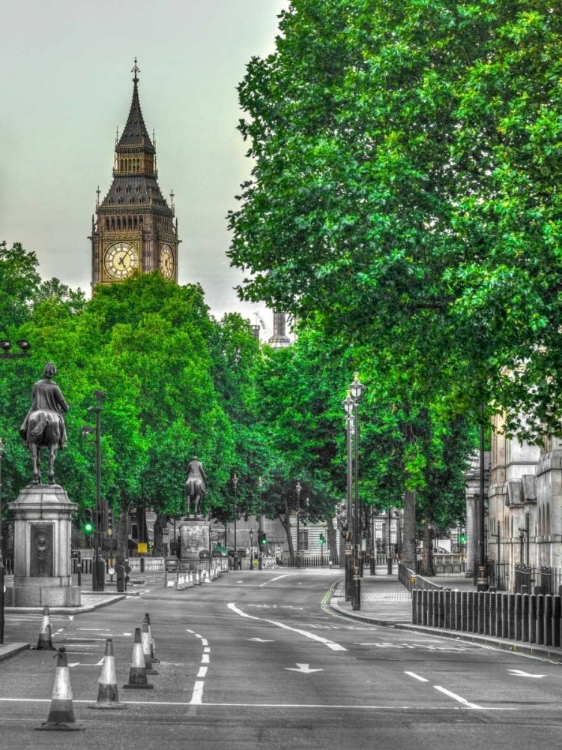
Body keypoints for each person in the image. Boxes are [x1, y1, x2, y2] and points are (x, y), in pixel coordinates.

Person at [19, 362, 69, 449]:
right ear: (53, 373)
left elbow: (34, 398)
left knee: (28, 419)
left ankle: (27, 439)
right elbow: (62, 402)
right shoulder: (54, 386)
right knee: (61, 422)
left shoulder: (36, 385)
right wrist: (66, 408)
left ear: (44, 371)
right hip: (52, 411)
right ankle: (62, 441)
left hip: (37, 409)